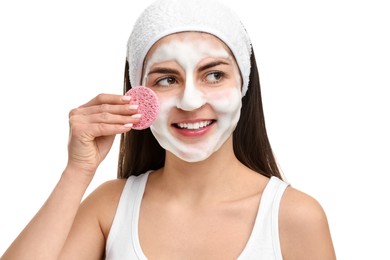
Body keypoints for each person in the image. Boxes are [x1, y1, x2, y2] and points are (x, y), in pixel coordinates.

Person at [1, 0, 336, 259]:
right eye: (166, 79)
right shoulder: (110, 208)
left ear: (244, 85)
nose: (190, 102)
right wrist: (78, 170)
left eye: (214, 75)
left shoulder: (294, 217)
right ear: (138, 97)